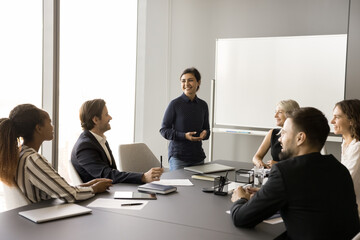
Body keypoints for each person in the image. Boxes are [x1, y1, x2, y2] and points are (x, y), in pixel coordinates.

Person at [231, 107, 359, 240]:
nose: (279, 139)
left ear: (300, 138)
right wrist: (267, 194)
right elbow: (309, 199)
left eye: (284, 133)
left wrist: (241, 199)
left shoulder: (285, 171)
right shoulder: (339, 169)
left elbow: (241, 218)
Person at [0, 104, 112, 203]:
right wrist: (95, 189)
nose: (52, 126)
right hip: (45, 220)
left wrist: (88, 185)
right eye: (49, 122)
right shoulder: (32, 160)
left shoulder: (21, 154)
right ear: (39, 128)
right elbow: (70, 195)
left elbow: (60, 189)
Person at [71, 99, 163, 184]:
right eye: (106, 114)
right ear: (95, 120)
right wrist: (143, 177)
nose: (110, 117)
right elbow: (107, 175)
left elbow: (112, 172)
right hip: (98, 198)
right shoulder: (85, 146)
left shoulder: (99, 140)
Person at [160, 67, 210, 171]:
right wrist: (184, 136)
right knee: (179, 187)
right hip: (179, 158)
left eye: (190, 80)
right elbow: (164, 130)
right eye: (183, 81)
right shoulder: (174, 104)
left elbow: (207, 130)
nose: (186, 84)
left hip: (198, 158)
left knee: (199, 187)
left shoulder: (203, 105)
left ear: (198, 82)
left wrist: (205, 133)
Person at [331, 99, 360, 216]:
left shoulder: (357, 147)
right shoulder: (346, 143)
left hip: (354, 212)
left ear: (351, 121)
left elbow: (346, 182)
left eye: (337, 117)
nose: (332, 121)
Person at [252, 99, 299, 168]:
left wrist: (278, 165)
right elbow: (256, 157)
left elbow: (300, 164)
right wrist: (260, 163)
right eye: (275, 112)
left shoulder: (299, 137)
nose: (275, 116)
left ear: (290, 115)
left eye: (280, 112)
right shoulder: (272, 133)